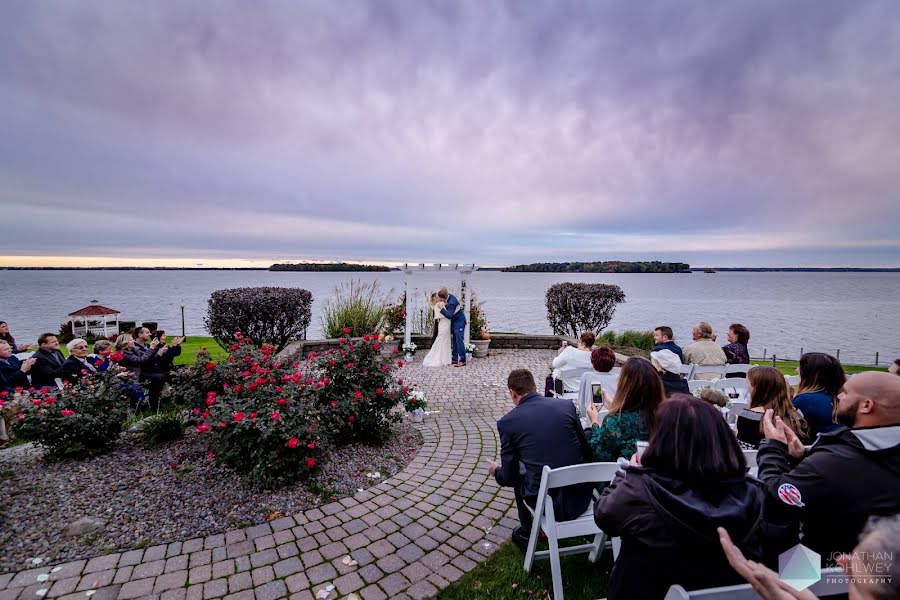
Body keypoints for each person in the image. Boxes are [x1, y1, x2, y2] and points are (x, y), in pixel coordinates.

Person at [594, 394, 764, 599]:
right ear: (722, 440)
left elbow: (604, 514)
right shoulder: (756, 496)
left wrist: (628, 474)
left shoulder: (640, 490)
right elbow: (801, 561)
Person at [757, 371, 900, 558]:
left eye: (845, 393)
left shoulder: (835, 461)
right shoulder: (878, 451)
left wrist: (774, 449)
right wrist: (804, 457)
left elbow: (775, 497)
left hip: (823, 561)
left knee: (765, 576)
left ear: (866, 405)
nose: (838, 397)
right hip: (885, 565)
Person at [487, 369, 594, 551]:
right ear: (534, 387)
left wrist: (496, 471)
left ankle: (528, 532)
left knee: (520, 474)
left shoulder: (508, 422)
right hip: (581, 497)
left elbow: (510, 477)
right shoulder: (565, 406)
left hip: (548, 504)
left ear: (512, 393)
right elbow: (586, 449)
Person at [719, 514, 900, 600]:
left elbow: (777, 493)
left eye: (855, 582)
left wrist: (773, 449)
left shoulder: (825, 460)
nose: (843, 562)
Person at [584, 357, 664, 462]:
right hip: (655, 475)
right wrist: (615, 406)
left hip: (621, 475)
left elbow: (599, 455)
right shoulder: (666, 417)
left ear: (624, 386)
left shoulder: (615, 421)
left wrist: (594, 422)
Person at [737, 366, 808, 449]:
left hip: (759, 460)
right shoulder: (796, 415)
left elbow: (744, 451)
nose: (747, 386)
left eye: (748, 383)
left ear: (757, 388)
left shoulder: (747, 415)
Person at [792, 352, 845, 439]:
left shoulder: (805, 399)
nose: (797, 370)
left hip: (819, 447)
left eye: (801, 367)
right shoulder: (839, 397)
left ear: (811, 374)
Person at [116, 332, 166, 409]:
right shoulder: (123, 354)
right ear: (125, 343)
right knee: (157, 378)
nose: (134, 341)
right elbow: (141, 360)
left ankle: (153, 403)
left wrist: (158, 351)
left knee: (160, 377)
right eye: (131, 340)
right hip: (131, 376)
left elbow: (147, 357)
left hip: (139, 372)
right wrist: (152, 348)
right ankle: (151, 404)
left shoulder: (134, 349)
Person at [576, 345, 618, 420]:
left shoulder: (587, 376)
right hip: (614, 419)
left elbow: (581, 403)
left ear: (592, 362)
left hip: (592, 419)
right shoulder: (619, 378)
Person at [437, 287, 467, 367]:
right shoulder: (450, 297)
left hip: (459, 322)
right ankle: (454, 358)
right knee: (455, 340)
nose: (439, 299)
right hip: (455, 323)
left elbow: (449, 315)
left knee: (459, 341)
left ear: (443, 297)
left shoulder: (451, 303)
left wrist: (442, 309)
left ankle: (462, 360)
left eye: (440, 297)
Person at [422, 294, 453, 367]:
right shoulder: (438, 305)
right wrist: (446, 313)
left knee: (445, 341)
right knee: (439, 340)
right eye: (436, 297)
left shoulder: (442, 304)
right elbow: (438, 316)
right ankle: (434, 357)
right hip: (443, 323)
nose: (438, 298)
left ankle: (445, 359)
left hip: (446, 323)